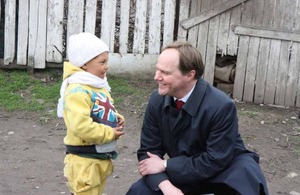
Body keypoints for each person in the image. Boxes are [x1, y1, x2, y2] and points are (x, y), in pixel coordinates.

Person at [126, 41, 269, 195]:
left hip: (224, 171)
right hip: (184, 170)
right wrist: (168, 188)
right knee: (139, 192)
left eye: (165, 73)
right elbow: (148, 155)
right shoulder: (157, 101)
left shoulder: (221, 106)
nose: (156, 77)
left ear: (189, 75)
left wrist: (166, 165)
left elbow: (215, 160)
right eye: (157, 70)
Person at [57, 32, 125, 195]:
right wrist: (109, 132)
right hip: (84, 162)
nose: (106, 66)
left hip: (99, 158)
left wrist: (116, 118)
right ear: (85, 63)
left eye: (106, 61)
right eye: (102, 62)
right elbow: (81, 127)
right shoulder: (77, 91)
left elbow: (103, 108)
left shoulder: (97, 85)